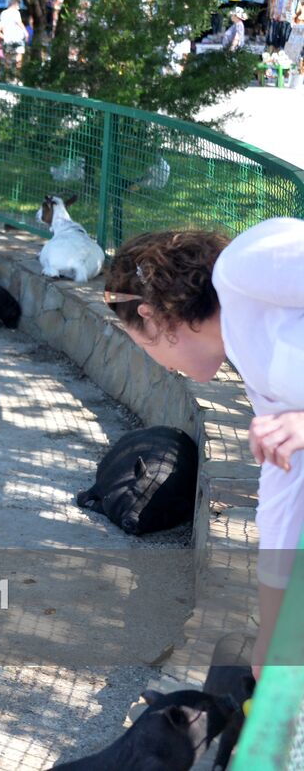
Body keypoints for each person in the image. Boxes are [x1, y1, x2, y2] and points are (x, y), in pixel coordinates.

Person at [102, 221, 304, 676]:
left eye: (141, 346)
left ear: (153, 317)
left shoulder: (246, 265)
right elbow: (282, 497)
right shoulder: (255, 369)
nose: (161, 365)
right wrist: (268, 638)